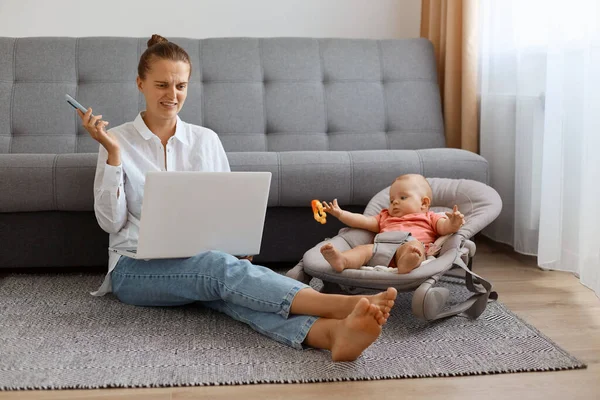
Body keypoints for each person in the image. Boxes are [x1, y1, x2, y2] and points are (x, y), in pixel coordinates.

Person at [77, 34, 398, 362]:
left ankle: (329, 334)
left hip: (198, 261)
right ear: (140, 83)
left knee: (230, 287)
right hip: (134, 270)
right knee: (218, 270)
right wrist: (114, 154)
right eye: (161, 85)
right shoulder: (115, 140)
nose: (172, 95)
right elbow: (110, 222)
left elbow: (226, 209)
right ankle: (339, 306)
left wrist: (237, 248)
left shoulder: (206, 141)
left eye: (181, 86)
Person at [319, 174, 465, 274]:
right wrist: (340, 213)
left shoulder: (430, 217)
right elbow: (362, 221)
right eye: (391, 200)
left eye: (403, 197)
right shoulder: (384, 216)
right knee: (363, 249)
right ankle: (342, 260)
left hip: (408, 247)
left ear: (424, 203)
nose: (395, 202)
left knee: (414, 248)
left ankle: (406, 264)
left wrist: (454, 222)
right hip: (381, 247)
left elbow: (446, 228)